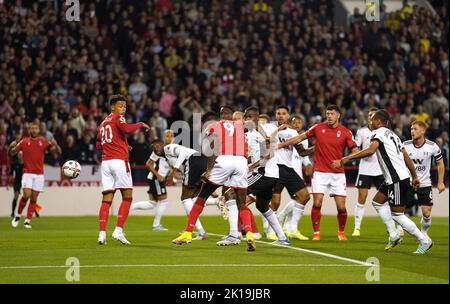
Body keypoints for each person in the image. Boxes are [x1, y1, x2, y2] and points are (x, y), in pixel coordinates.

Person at [332, 110, 433, 254]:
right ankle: (393, 234)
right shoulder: (395, 136)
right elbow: (407, 158)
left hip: (397, 179)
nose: (370, 122)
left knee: (398, 215)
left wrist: (344, 159)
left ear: (378, 122)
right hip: (396, 178)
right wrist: (415, 176)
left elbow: (370, 150)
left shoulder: (377, 133)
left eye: (372, 119)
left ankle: (424, 240)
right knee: (377, 202)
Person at [172, 106, 256, 251]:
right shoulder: (242, 126)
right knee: (242, 203)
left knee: (201, 197)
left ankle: (187, 233)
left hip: (224, 160)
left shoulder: (214, 126)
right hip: (242, 163)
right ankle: (249, 233)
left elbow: (213, 146)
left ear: (221, 115)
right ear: (232, 115)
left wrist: (210, 169)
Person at [278, 104, 359, 241]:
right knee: (317, 203)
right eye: (327, 114)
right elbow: (299, 138)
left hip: (338, 173)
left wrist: (343, 161)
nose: (329, 116)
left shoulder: (345, 132)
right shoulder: (318, 128)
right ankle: (316, 233)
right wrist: (281, 145)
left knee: (341, 207)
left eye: (332, 114)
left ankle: (341, 232)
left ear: (338, 115)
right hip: (320, 172)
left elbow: (356, 151)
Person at [96, 94, 150, 245]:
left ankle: (101, 234)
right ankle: (118, 231)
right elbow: (126, 129)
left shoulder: (103, 123)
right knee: (127, 197)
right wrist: (140, 124)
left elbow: (99, 145)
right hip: (119, 162)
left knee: (107, 199)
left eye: (125, 106)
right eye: (120, 106)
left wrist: (122, 145)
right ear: (112, 107)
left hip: (106, 163)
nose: (123, 109)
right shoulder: (118, 117)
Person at [266, 112, 312, 241]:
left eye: (284, 114)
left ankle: (292, 228)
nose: (281, 116)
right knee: (275, 201)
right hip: (275, 167)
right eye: (278, 113)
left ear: (288, 117)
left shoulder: (293, 133)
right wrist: (277, 130)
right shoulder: (269, 128)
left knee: (304, 196)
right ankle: (271, 230)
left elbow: (302, 152)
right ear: (275, 116)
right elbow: (265, 143)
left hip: (288, 168)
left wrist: (318, 147)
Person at [9, 121, 62, 228]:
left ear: (39, 130)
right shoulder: (24, 142)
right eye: (32, 128)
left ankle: (27, 221)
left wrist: (56, 146)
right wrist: (11, 147)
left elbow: (58, 153)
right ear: (29, 130)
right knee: (26, 195)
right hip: (27, 173)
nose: (33, 130)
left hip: (39, 175)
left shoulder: (44, 141)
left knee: (34, 199)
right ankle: (18, 216)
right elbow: (12, 153)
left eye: (35, 128)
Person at [398, 120, 446, 238]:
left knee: (426, 213)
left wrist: (440, 182)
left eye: (415, 129)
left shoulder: (432, 146)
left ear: (423, 131)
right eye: (411, 129)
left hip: (424, 183)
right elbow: (397, 161)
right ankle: (398, 230)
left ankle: (424, 233)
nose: (412, 131)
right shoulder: (405, 145)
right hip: (407, 182)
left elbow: (440, 164)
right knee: (398, 208)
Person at [163, 140, 209, 240]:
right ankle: (217, 201)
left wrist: (173, 172)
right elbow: (185, 169)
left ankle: (199, 232)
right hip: (202, 162)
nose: (157, 148)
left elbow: (183, 152)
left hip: (194, 160)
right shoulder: (168, 159)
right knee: (194, 198)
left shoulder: (167, 148)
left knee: (185, 198)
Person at [277, 115, 314, 235]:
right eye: (295, 122)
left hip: (296, 174)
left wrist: (308, 164)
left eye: (299, 122)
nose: (297, 124)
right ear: (289, 123)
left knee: (299, 199)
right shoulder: (284, 135)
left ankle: (289, 226)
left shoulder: (303, 139)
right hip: (286, 171)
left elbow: (304, 156)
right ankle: (282, 220)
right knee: (291, 199)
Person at [353, 108, 384, 237]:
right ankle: (357, 228)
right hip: (365, 169)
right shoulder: (361, 132)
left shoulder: (384, 133)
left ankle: (391, 226)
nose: (371, 118)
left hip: (381, 170)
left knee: (385, 200)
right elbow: (355, 148)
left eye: (373, 116)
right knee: (362, 198)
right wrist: (356, 154)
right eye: (369, 116)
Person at [130, 138, 171, 231]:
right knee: (163, 201)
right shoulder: (157, 153)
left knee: (152, 203)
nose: (157, 146)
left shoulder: (165, 152)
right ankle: (156, 225)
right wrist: (158, 175)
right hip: (156, 179)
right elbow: (148, 164)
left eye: (159, 144)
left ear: (162, 144)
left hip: (154, 178)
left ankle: (128, 208)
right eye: (155, 145)